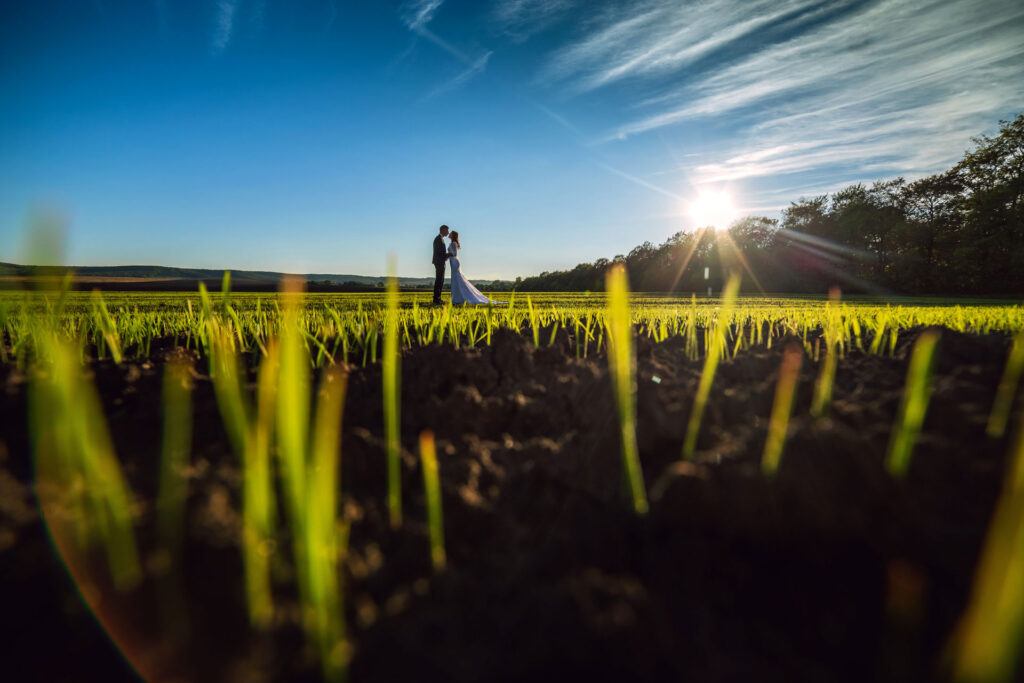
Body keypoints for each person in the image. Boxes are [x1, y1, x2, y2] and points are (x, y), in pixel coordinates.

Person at [448, 231, 503, 305]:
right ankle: (457, 297)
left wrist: (446, 255)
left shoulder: (454, 243)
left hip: (454, 261)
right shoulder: (452, 243)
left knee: (457, 279)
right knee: (455, 279)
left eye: (450, 233)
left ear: (453, 235)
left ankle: (458, 298)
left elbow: (454, 253)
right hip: (453, 261)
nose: (449, 234)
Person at [431, 224, 450, 305]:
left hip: (440, 261)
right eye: (447, 230)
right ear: (443, 230)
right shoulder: (438, 239)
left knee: (440, 280)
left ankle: (438, 298)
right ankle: (436, 299)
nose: (448, 232)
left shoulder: (440, 238)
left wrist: (446, 256)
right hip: (439, 262)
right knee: (439, 280)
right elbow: (439, 252)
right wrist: (447, 255)